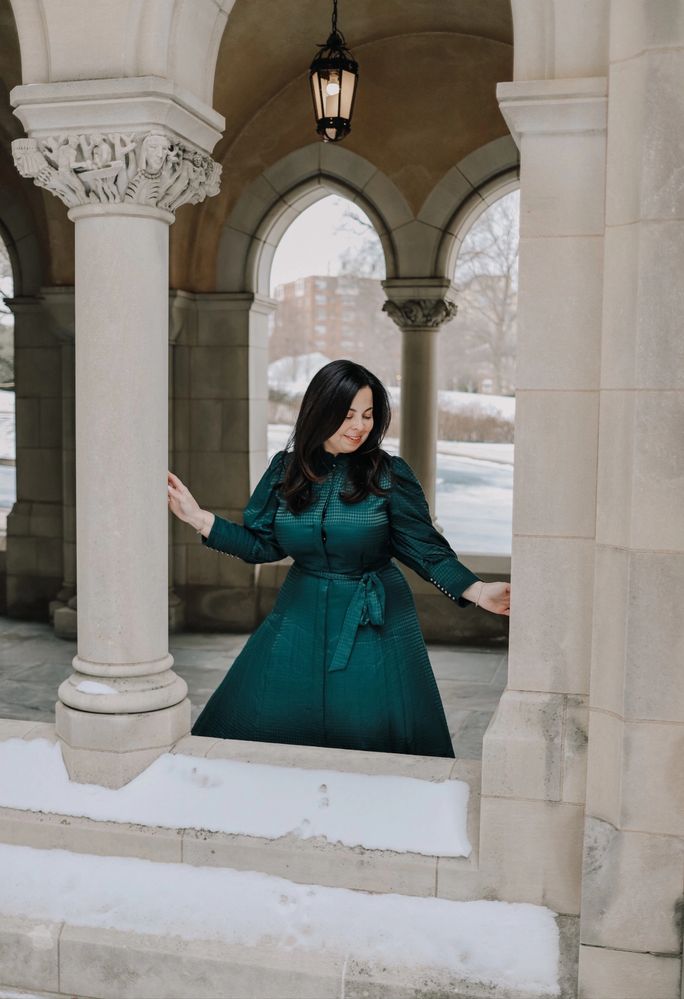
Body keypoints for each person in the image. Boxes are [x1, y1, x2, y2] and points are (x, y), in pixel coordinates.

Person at [167, 360, 510, 758]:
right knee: (263, 716)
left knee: (372, 728)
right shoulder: (286, 470)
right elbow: (263, 545)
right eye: (347, 415)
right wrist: (199, 518)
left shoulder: (389, 475)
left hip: (375, 617)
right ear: (320, 411)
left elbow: (426, 550)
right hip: (300, 612)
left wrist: (477, 589)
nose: (359, 426)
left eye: (367, 415)